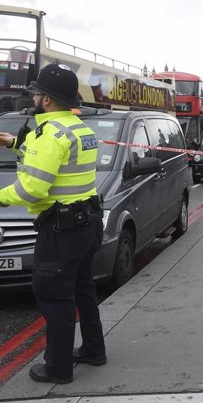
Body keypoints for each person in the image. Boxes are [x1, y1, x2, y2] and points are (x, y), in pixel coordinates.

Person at [0, 63, 106, 384]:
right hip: (87, 223)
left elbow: (33, 188)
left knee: (54, 296)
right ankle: (93, 350)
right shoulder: (79, 128)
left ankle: (58, 368)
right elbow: (57, 158)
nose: (32, 97)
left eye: (36, 93)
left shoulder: (49, 135)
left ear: (46, 100)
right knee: (83, 289)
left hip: (61, 231)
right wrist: (14, 143)